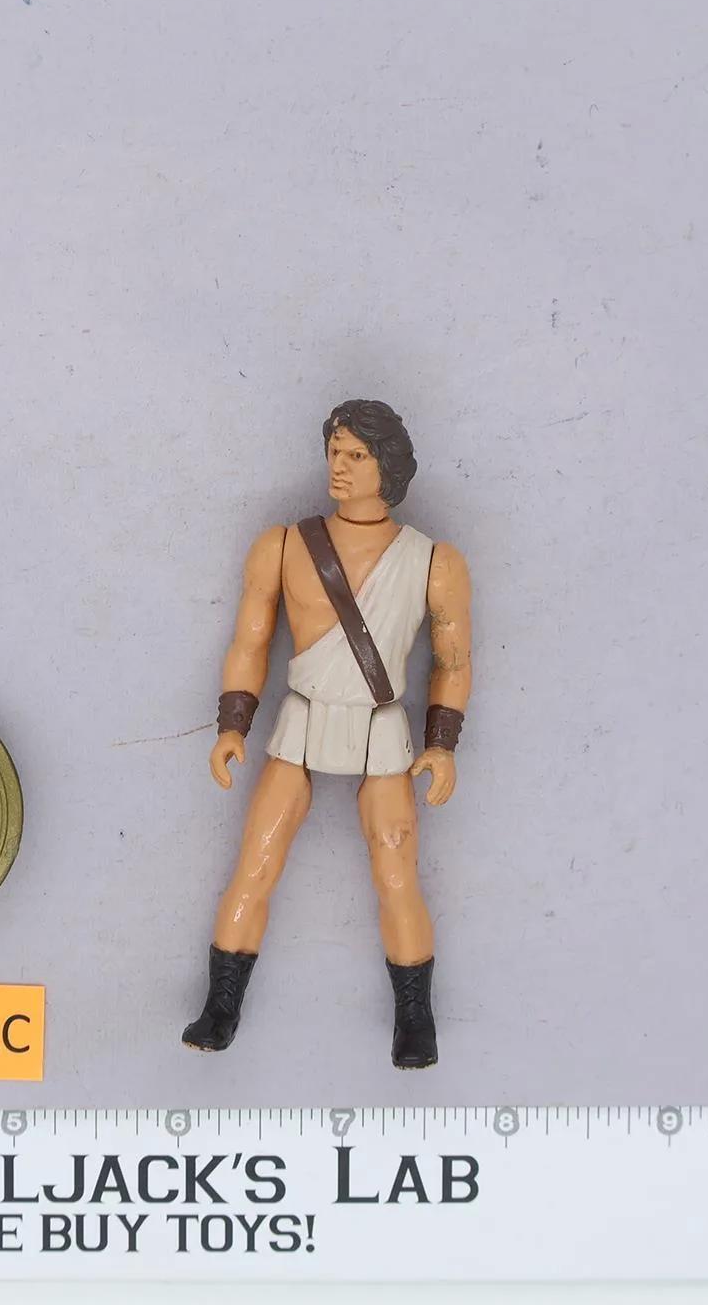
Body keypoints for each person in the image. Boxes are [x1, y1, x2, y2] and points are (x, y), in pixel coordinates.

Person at [181, 399, 472, 1068]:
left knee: (396, 871)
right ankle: (221, 1005)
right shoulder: (283, 546)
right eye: (334, 452)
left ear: (387, 465)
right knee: (256, 860)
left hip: (381, 728)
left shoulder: (434, 561)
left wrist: (442, 742)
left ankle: (415, 1018)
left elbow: (454, 661)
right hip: (303, 718)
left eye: (356, 455)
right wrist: (233, 725)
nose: (339, 466)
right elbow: (250, 641)